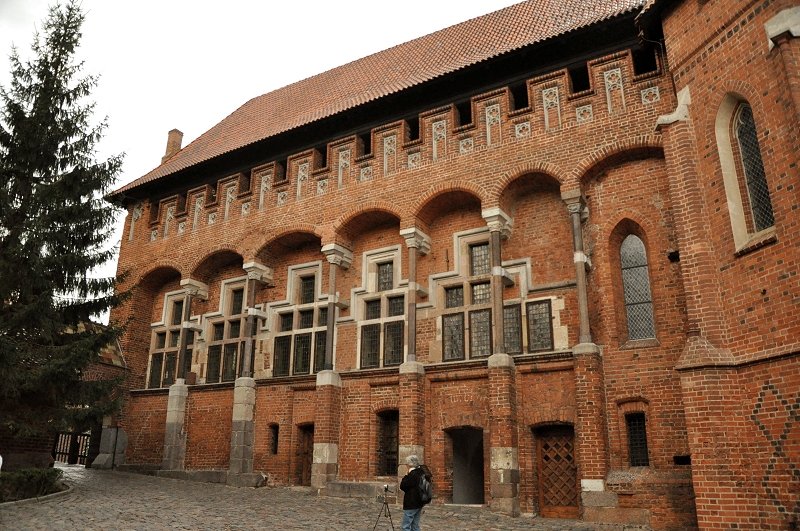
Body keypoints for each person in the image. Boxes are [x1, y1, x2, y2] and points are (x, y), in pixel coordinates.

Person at [399, 454, 431, 531]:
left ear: (409, 465)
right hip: (420, 502)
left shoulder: (412, 474)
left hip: (411, 502)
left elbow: (403, 486)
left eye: (406, 464)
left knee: (406, 526)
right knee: (415, 526)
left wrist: (406, 475)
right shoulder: (422, 472)